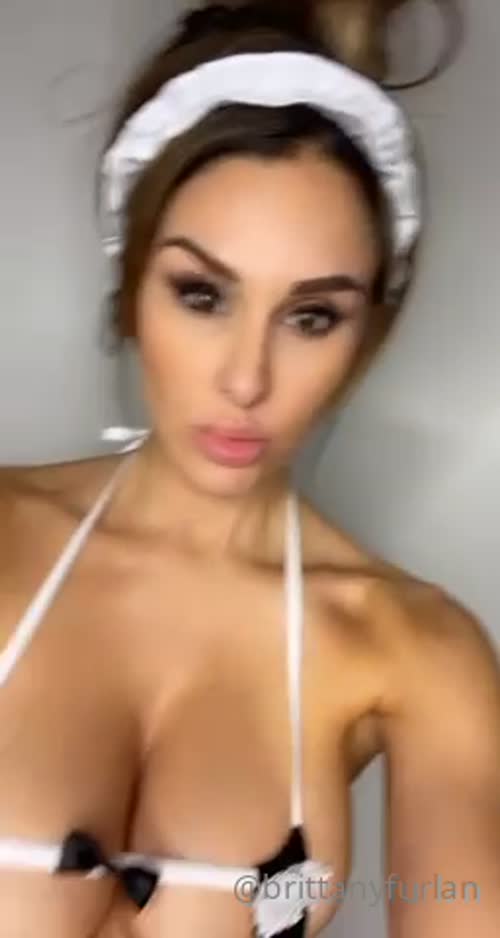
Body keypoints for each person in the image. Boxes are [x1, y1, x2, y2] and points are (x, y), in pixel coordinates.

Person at [0, 2, 499, 936]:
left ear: (368, 333)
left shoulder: (417, 653)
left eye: (311, 317)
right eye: (202, 295)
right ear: (131, 285)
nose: (246, 379)